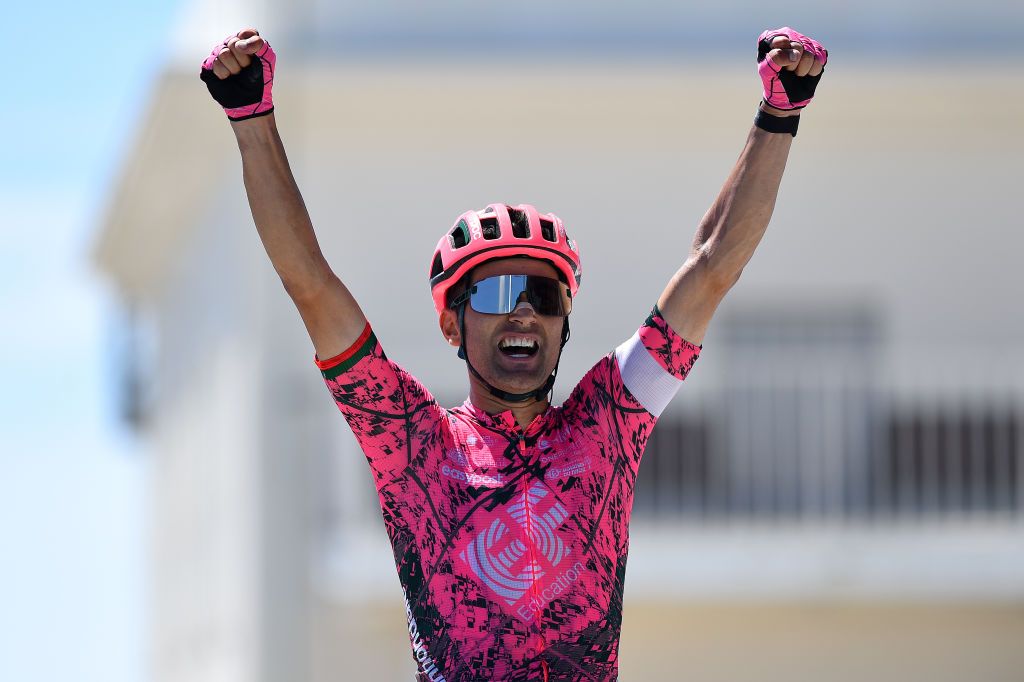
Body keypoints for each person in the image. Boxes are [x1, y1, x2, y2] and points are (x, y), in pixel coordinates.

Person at [200, 26, 827, 682]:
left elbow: (710, 268)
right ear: (452, 326)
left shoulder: (607, 421)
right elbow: (310, 283)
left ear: (562, 324)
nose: (523, 309)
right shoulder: (414, 444)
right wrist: (251, 117)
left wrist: (778, 116)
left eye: (543, 294)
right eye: (498, 291)